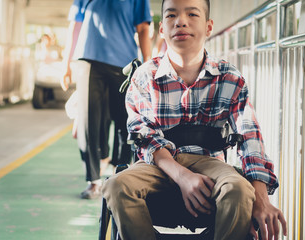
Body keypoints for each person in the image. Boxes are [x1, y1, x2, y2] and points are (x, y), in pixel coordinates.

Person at [102, 0, 287, 239]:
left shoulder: (229, 78)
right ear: (162, 29)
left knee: (239, 189)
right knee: (117, 186)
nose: (181, 21)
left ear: (209, 27)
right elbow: (144, 137)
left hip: (210, 162)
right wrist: (183, 177)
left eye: (192, 14)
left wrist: (261, 198)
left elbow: (250, 137)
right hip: (158, 164)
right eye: (171, 16)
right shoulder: (144, 77)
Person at [61, 0, 152, 199]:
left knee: (124, 121)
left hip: (124, 65)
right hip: (88, 60)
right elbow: (75, 25)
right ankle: (92, 180)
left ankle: (118, 174)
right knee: (88, 121)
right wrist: (66, 63)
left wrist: (147, 66)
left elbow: (143, 28)